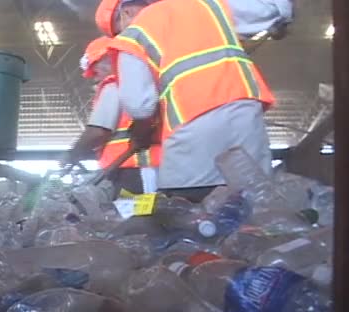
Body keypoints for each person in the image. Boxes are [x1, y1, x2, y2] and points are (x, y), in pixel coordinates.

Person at [95, 0, 277, 202]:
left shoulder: (134, 35)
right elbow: (274, 9)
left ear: (125, 13)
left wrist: (143, 127)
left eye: (117, 32)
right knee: (253, 204)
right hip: (245, 118)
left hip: (191, 134)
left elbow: (140, 107)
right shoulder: (207, 4)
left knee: (191, 215)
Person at [62, 36, 161, 195]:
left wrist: (72, 154)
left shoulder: (114, 85)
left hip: (133, 171)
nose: (95, 76)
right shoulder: (145, 85)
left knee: (134, 217)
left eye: (95, 68)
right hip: (141, 168)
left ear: (109, 58)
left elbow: (98, 131)